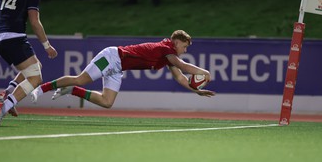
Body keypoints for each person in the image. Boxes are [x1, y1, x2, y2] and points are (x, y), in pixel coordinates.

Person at [31, 30, 215, 108]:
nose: (185, 50)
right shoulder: (167, 49)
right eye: (184, 46)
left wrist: (195, 91)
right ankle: (41, 89)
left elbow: (180, 77)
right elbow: (183, 66)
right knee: (81, 78)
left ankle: (72, 90)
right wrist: (204, 73)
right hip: (111, 57)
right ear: (176, 42)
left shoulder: (169, 56)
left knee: (107, 102)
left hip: (118, 68)